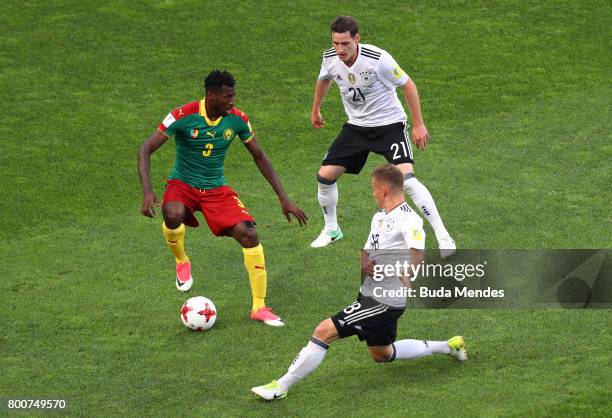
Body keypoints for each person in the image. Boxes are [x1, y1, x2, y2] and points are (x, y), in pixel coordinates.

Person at [251, 164, 466, 400]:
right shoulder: (379, 217)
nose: (372, 193)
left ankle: (280, 386)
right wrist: (364, 260)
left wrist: (409, 270)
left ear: (384, 190)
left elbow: (418, 249)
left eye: (373, 188)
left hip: (383, 302)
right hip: (369, 294)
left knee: (324, 331)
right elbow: (368, 248)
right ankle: (449, 346)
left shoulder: (409, 219)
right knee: (382, 354)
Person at [137, 70, 308, 327]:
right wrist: (148, 191)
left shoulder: (238, 120)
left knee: (249, 235)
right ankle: (182, 261)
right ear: (211, 95)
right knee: (172, 213)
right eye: (228, 97)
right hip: (183, 183)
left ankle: (259, 307)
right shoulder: (184, 115)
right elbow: (145, 149)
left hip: (216, 188)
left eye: (233, 96)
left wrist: (284, 198)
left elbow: (260, 157)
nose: (232, 102)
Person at [310, 15, 455, 257]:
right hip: (357, 127)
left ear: (357, 39)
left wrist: (418, 124)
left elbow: (408, 85)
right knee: (325, 177)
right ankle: (332, 229)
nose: (340, 49)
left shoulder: (378, 59)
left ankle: (443, 235)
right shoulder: (330, 58)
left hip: (389, 126)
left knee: (406, 180)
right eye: (335, 43)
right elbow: (324, 79)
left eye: (345, 43)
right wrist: (316, 109)